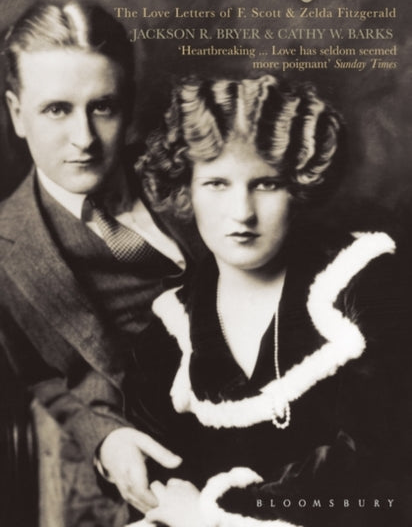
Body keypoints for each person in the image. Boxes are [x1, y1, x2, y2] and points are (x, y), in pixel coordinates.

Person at [127, 74, 412, 527]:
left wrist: (211, 516)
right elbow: (161, 483)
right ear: (186, 189)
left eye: (265, 184)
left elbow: (380, 465)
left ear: (296, 186)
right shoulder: (171, 330)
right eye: (217, 183)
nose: (242, 213)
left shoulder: (362, 285)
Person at [0, 0, 204, 520]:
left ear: (127, 105)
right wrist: (106, 440)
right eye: (56, 110)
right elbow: (45, 379)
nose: (84, 139)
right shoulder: (6, 252)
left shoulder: (189, 169)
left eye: (102, 107)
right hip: (165, 458)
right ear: (17, 114)